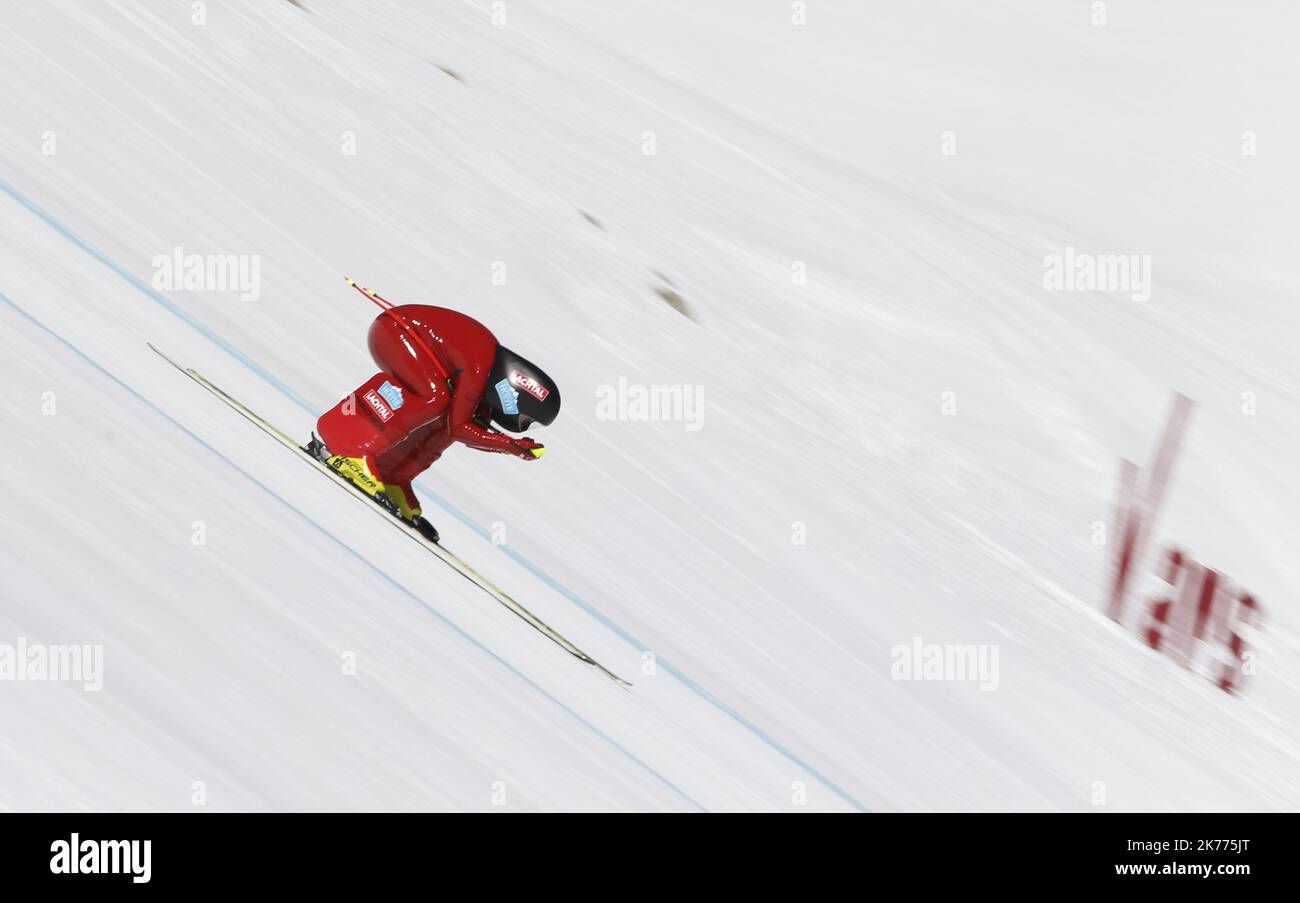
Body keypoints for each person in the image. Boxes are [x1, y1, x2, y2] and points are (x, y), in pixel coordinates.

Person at [309, 304, 561, 541]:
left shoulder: (485, 375)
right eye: (526, 418)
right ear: (520, 395)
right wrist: (510, 444)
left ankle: (391, 474)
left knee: (457, 412)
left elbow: (467, 427)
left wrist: (509, 443)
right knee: (436, 397)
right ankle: (350, 450)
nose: (519, 422)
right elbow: (461, 429)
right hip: (395, 331)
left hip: (401, 334)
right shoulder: (479, 369)